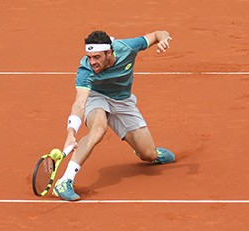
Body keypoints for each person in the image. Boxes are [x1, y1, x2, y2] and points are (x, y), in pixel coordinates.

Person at [53, 30, 176, 202]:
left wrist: (163, 39)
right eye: (89, 57)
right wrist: (71, 133)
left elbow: (158, 34)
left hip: (122, 101)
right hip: (97, 98)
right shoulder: (85, 70)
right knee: (98, 129)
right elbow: (80, 103)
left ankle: (148, 151)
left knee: (149, 154)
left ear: (109, 52)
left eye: (96, 57)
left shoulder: (127, 47)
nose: (92, 62)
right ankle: (65, 180)